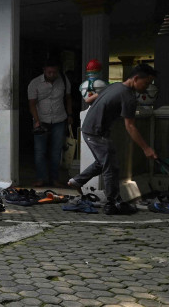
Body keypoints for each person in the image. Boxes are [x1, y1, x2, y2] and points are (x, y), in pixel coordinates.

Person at [69, 63, 159, 214]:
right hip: (96, 132)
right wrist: (146, 148)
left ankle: (77, 181)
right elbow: (130, 126)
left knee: (104, 161)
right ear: (136, 78)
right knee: (111, 166)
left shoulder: (114, 86)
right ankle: (112, 203)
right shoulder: (129, 97)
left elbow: (89, 100)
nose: (147, 87)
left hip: (90, 129)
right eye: (146, 83)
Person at [27, 59, 73, 186]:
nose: (52, 75)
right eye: (49, 72)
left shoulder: (64, 80)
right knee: (40, 151)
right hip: (41, 120)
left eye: (54, 72)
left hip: (59, 119)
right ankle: (40, 178)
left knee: (56, 151)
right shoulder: (35, 83)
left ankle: (55, 179)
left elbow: (68, 98)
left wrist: (70, 115)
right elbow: (32, 104)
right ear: (44, 71)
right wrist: (37, 121)